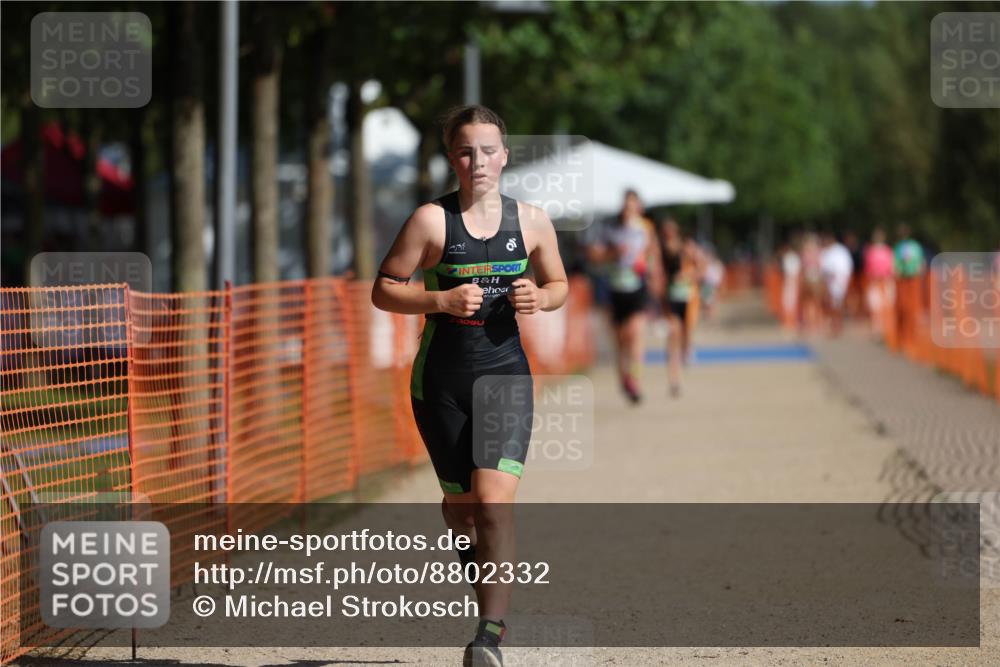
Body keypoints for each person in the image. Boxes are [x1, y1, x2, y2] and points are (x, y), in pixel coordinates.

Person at [371, 104, 568, 667]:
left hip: (505, 373)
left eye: (487, 150)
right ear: (450, 157)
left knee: (494, 504)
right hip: (440, 380)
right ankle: (484, 583)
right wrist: (439, 300)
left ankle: (490, 633)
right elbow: (384, 289)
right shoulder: (430, 222)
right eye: (464, 151)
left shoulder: (531, 221)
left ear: (505, 156)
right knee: (462, 511)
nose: (477, 161)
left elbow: (558, 284)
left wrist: (540, 297)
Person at [587, 190, 661, 404]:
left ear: (639, 207)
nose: (629, 209)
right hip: (615, 289)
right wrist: (612, 254)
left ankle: (635, 380)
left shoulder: (645, 228)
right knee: (620, 340)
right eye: (626, 205)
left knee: (636, 333)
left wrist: (653, 273)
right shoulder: (611, 228)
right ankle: (623, 378)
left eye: (633, 205)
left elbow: (652, 253)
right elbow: (594, 255)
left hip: (637, 287)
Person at [659, 219, 702, 397]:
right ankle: (674, 379)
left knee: (687, 333)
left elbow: (701, 268)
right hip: (671, 299)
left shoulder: (688, 247)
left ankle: (687, 351)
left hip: (689, 298)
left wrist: (688, 274)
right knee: (673, 334)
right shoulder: (660, 250)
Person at [863, 227, 895, 339]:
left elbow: (892, 266)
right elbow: (868, 268)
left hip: (885, 281)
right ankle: (877, 329)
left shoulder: (887, 250)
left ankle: (888, 328)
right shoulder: (870, 251)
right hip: (875, 282)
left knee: (887, 304)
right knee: (875, 305)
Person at [819, 231, 854, 336]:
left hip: (839, 280)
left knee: (837, 303)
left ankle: (837, 324)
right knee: (830, 303)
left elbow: (845, 267)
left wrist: (842, 279)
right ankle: (833, 323)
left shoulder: (841, 251)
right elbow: (824, 267)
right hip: (828, 281)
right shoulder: (825, 251)